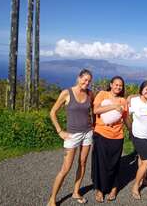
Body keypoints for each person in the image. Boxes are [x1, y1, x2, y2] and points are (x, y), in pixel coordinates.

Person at [48, 69, 94, 206]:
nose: (86, 83)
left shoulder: (90, 93)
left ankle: (75, 192)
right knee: (65, 168)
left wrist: (93, 125)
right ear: (78, 78)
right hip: (72, 135)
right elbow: (52, 112)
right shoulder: (66, 93)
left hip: (87, 133)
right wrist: (60, 131)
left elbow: (92, 111)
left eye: (89, 81)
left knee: (83, 163)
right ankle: (52, 199)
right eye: (84, 79)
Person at [92, 76, 131, 203]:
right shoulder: (102, 94)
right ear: (111, 84)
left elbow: (125, 118)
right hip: (101, 133)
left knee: (114, 163)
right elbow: (96, 109)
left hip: (117, 136)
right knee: (101, 163)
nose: (118, 87)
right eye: (116, 84)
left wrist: (131, 131)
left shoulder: (123, 101)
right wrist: (114, 106)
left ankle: (114, 187)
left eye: (120, 85)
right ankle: (99, 189)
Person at [129, 80, 147, 200]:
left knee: (141, 159)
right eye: (146, 89)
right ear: (141, 89)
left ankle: (144, 180)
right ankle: (135, 186)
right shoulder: (134, 101)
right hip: (139, 136)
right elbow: (125, 114)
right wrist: (129, 128)